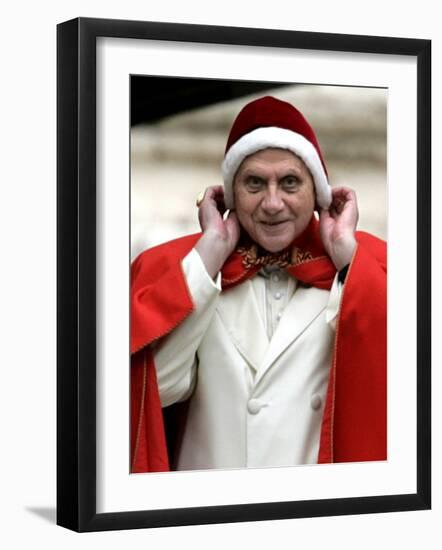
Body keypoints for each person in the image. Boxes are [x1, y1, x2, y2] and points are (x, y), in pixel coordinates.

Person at [130, 96, 386, 473]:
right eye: (254, 183)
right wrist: (210, 254)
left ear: (318, 193)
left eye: (289, 183)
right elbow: (156, 391)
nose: (272, 203)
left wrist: (347, 256)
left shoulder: (370, 274)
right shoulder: (196, 274)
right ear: (231, 194)